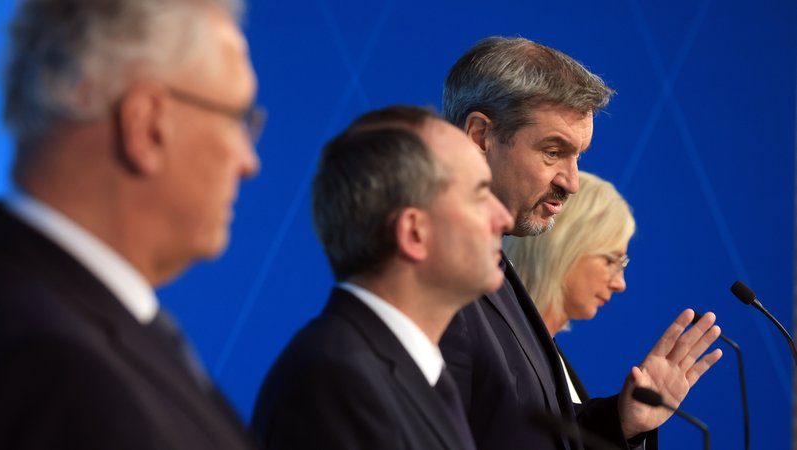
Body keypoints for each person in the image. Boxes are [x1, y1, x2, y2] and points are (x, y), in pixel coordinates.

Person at [0, 0, 262, 448]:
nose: (248, 162)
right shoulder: (55, 372)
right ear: (146, 124)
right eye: (237, 118)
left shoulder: (99, 326)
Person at [439, 36, 722, 450]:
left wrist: (621, 421)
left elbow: (523, 431)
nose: (571, 182)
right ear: (481, 136)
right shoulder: (428, 274)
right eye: (553, 152)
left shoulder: (491, 262)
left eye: (578, 157)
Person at [251, 105, 514, 449]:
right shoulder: (336, 381)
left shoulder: (412, 373)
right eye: (481, 195)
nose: (504, 219)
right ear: (414, 233)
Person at [503, 170, 636, 403]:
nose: (620, 284)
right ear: (563, 248)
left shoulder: (551, 359)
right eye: (611, 261)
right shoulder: (500, 348)